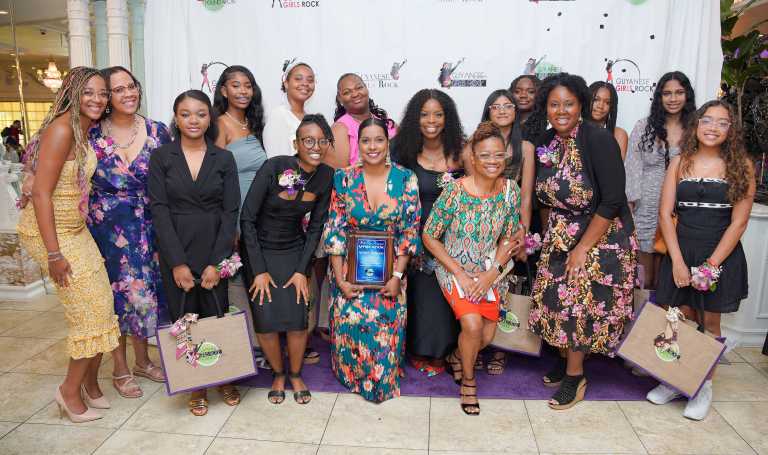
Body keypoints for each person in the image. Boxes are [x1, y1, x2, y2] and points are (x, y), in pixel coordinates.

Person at [527, 73, 637, 410]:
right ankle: (566, 363)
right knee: (556, 302)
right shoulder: (547, 140)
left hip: (599, 235)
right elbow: (544, 196)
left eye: (569, 104)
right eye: (554, 104)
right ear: (545, 108)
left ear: (581, 106)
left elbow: (613, 199)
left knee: (578, 305)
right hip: (560, 233)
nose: (561, 111)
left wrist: (583, 248)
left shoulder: (598, 139)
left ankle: (575, 377)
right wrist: (551, 238)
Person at [16, 67, 119, 423]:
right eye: (88, 92)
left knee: (102, 306)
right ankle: (69, 392)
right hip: (52, 235)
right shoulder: (62, 129)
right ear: (72, 94)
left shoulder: (83, 129)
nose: (97, 99)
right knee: (88, 313)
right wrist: (54, 254)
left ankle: (90, 384)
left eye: (102, 93)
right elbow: (42, 194)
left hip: (75, 230)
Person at [647, 100, 754, 420]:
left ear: (731, 130)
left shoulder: (742, 166)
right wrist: (678, 262)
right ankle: (674, 379)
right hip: (681, 249)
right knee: (674, 317)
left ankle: (702, 386)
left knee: (709, 322)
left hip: (720, 254)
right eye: (707, 120)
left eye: (722, 123)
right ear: (696, 125)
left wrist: (710, 266)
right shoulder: (679, 162)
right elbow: (665, 215)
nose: (713, 127)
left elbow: (739, 223)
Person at [148, 90, 241, 416]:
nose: (193, 120)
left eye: (201, 114)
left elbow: (230, 211)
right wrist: (177, 263)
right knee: (184, 318)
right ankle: (196, 386)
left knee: (217, 315)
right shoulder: (161, 157)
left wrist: (217, 262)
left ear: (209, 119)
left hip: (214, 246)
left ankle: (224, 378)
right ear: (176, 118)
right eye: (186, 114)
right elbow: (159, 210)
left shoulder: (223, 159)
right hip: (177, 248)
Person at [423, 121, 521, 415]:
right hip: (454, 269)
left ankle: (457, 356)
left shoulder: (510, 191)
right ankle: (468, 381)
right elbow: (429, 235)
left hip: (491, 270)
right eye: (485, 155)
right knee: (473, 325)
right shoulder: (455, 192)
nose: (493, 161)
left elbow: (510, 237)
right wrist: (461, 274)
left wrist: (492, 274)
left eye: (498, 155)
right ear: (473, 158)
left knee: (486, 337)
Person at [323, 117, 421, 402]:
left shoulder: (406, 178)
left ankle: (382, 376)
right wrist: (340, 280)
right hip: (348, 271)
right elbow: (335, 230)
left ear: (388, 143)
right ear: (359, 144)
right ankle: (350, 375)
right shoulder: (344, 178)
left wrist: (397, 277)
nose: (372, 146)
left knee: (385, 323)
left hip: (391, 272)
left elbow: (409, 231)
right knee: (350, 319)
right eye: (366, 140)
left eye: (379, 140)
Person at [87, 66, 171, 399]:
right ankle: (120, 368)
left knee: (144, 294)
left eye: (131, 86)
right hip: (105, 228)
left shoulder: (158, 131)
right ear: (107, 97)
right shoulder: (90, 132)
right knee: (114, 297)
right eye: (118, 89)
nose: (128, 93)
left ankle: (143, 361)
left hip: (149, 224)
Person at [240, 114, 334, 405]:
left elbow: (316, 227)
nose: (315, 146)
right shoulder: (275, 167)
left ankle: (295, 373)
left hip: (294, 249)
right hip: (259, 250)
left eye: (322, 141)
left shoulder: (326, 176)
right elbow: (247, 219)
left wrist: (302, 270)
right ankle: (278, 374)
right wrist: (258, 270)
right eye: (308, 140)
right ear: (296, 144)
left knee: (297, 319)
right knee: (266, 319)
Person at [392, 89, 464, 377]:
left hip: (453, 237)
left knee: (448, 296)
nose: (431, 120)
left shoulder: (461, 152)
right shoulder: (401, 151)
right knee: (422, 297)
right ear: (414, 118)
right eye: (424, 114)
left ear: (448, 118)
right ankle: (420, 350)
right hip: (415, 235)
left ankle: (446, 350)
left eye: (438, 114)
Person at [471, 89, 536, 375]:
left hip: (509, 225)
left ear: (516, 111)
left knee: (505, 286)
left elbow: (526, 196)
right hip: (481, 223)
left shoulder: (527, 148)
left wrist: (523, 234)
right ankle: (474, 345)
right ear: (488, 111)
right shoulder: (474, 143)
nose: (501, 110)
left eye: (507, 105)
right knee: (479, 283)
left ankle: (500, 348)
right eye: (495, 106)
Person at [212, 65, 272, 363]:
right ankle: (242, 349)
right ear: (224, 90)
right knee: (236, 283)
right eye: (235, 85)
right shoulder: (219, 124)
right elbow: (215, 177)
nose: (243, 91)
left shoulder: (254, 123)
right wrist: (229, 224)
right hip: (235, 214)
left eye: (247, 85)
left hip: (259, 215)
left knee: (256, 278)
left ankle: (261, 345)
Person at [625, 71, 696, 289]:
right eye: (667, 93)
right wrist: (629, 209)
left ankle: (664, 309)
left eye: (679, 92)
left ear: (687, 95)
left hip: (680, 208)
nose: (673, 98)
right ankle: (640, 309)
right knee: (643, 276)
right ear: (659, 97)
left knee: (668, 274)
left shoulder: (695, 129)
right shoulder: (643, 127)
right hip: (645, 206)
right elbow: (632, 168)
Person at [328, 73, 397, 168]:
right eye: (347, 92)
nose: (355, 94)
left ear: (366, 89)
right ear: (340, 99)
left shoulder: (389, 124)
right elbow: (340, 174)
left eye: (359, 88)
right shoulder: (339, 129)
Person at [263, 62, 315, 158]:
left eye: (310, 80)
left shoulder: (311, 119)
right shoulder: (278, 116)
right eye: (298, 79)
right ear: (286, 83)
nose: (305, 83)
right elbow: (276, 160)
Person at [588, 81, 629, 159]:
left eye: (607, 102)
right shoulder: (574, 131)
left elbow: (618, 166)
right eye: (596, 100)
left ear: (611, 107)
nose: (600, 106)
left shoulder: (619, 135)